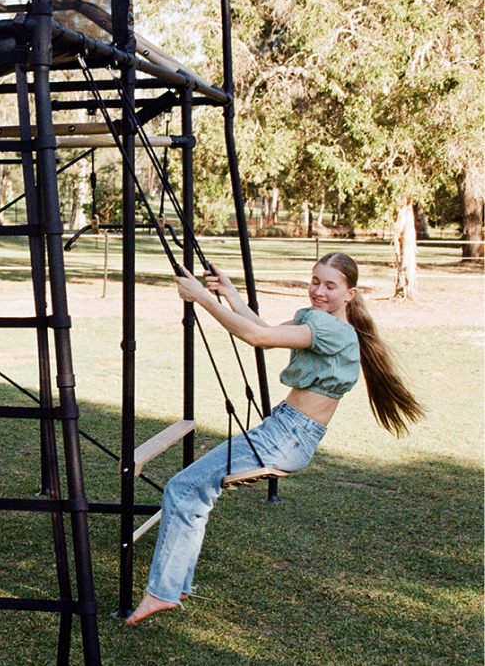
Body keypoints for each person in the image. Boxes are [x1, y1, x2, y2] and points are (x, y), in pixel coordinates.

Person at [127, 252, 425, 625]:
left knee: (183, 489)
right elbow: (263, 327)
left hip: (288, 436)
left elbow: (259, 337)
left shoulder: (333, 331)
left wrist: (201, 298)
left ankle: (163, 593)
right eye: (315, 280)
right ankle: (174, 586)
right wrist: (231, 294)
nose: (319, 291)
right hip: (284, 430)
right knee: (190, 489)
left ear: (350, 294)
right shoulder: (321, 322)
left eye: (331, 286)